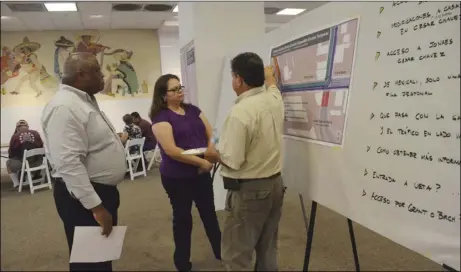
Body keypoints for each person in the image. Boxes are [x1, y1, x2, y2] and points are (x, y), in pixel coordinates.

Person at [41, 52, 126, 271]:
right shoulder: (65, 107)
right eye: (97, 70)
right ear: (81, 75)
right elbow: (68, 163)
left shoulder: (83, 101)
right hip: (83, 198)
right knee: (90, 263)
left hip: (98, 192)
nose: (102, 75)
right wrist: (96, 207)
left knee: (100, 257)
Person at [205, 52, 285, 271]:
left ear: (238, 79)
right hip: (275, 184)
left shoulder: (240, 112)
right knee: (267, 249)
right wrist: (270, 77)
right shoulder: (274, 100)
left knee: (236, 254)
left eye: (233, 76)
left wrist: (212, 153)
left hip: (249, 191)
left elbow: (233, 160)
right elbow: (273, 86)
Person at [149, 74, 221, 271]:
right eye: (174, 89)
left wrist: (211, 150)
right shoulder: (160, 118)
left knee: (209, 215)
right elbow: (172, 151)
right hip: (177, 178)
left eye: (180, 87)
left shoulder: (193, 110)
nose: (180, 91)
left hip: (201, 173)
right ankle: (182, 263)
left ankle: (221, 253)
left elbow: (212, 134)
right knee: (182, 219)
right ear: (163, 96)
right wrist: (201, 162)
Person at [6, 120, 44, 189]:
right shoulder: (36, 133)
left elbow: (11, 154)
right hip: (38, 163)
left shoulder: (15, 136)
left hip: (24, 165)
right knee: (28, 160)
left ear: (17, 128)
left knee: (9, 162)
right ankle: (32, 175)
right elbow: (41, 146)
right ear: (28, 127)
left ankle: (16, 184)